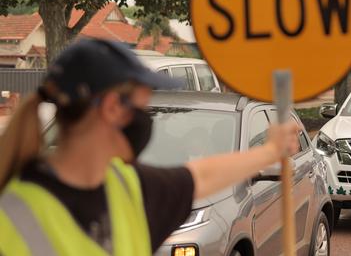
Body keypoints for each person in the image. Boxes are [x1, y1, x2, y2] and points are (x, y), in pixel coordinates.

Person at [0, 38, 299, 255]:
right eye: (143, 105)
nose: (146, 120)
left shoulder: (127, 187)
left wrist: (268, 152)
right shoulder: (10, 216)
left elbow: (199, 177)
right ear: (113, 107)